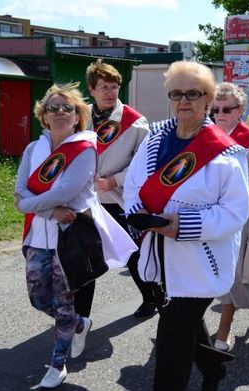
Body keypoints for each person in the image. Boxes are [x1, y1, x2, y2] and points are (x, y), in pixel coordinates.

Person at [123, 61, 249, 391]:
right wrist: (140, 215)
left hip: (200, 261)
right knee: (185, 329)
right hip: (158, 257)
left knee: (173, 337)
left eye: (192, 94)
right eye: (176, 93)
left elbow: (234, 213)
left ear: (208, 99)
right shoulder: (155, 138)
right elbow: (134, 185)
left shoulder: (227, 152)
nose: (183, 101)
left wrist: (183, 226)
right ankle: (213, 370)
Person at [15, 83, 136, 388]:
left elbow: (65, 193)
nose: (58, 113)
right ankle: (80, 324)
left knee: (64, 301)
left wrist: (32, 205)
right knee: (39, 300)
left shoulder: (84, 149)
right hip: (37, 237)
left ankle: (58, 364)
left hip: (69, 238)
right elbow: (19, 194)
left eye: (66, 108)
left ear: (77, 115)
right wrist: (47, 210)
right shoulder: (34, 149)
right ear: (43, 116)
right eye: (52, 108)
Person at [84, 59, 155, 318]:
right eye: (103, 86)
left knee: (131, 253)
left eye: (113, 86)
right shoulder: (79, 117)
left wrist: (114, 180)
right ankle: (80, 314)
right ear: (92, 89)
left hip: (118, 198)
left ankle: (151, 297)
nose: (109, 92)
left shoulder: (135, 122)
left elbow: (145, 164)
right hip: (87, 199)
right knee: (85, 256)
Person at [211, 82, 249, 351]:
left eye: (226, 109)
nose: (220, 114)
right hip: (207, 215)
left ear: (240, 110)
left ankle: (223, 332)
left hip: (239, 217)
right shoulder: (204, 136)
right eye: (215, 109)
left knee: (232, 274)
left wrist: (236, 182)